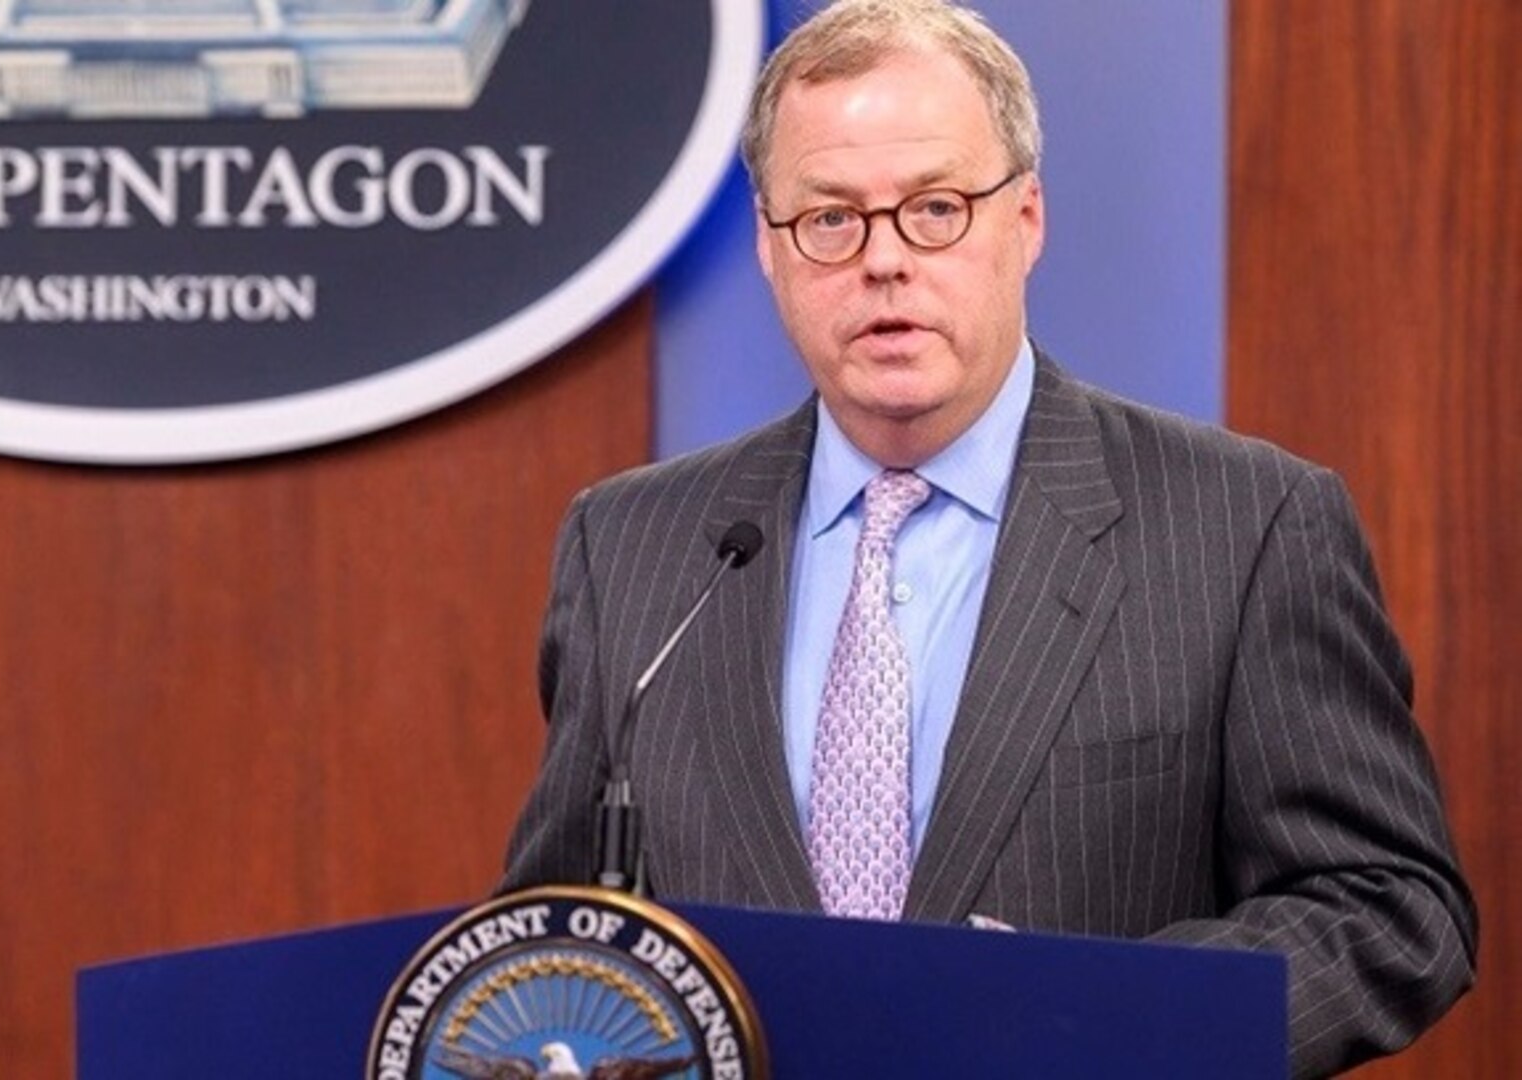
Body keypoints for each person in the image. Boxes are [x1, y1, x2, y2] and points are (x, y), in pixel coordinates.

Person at [499, 1, 1477, 1075]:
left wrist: (1093, 1026)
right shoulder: (630, 548)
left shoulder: (1244, 526)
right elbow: (551, 936)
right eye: (829, 218)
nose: (882, 262)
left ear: (1026, 219)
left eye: (934, 209)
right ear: (770, 252)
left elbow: (1386, 907)